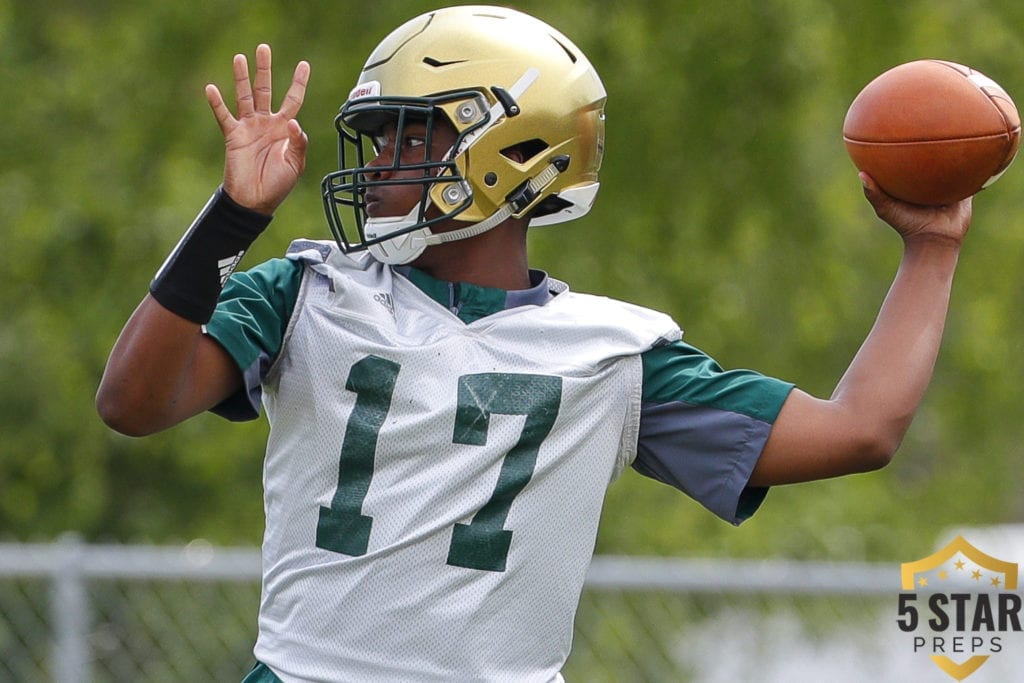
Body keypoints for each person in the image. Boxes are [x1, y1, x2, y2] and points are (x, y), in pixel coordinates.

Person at [96, 6, 972, 682]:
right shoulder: (304, 293)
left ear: (506, 148)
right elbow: (131, 404)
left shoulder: (613, 353)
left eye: (412, 134)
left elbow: (859, 429)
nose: (381, 162)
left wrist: (931, 250)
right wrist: (233, 218)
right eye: (381, 138)